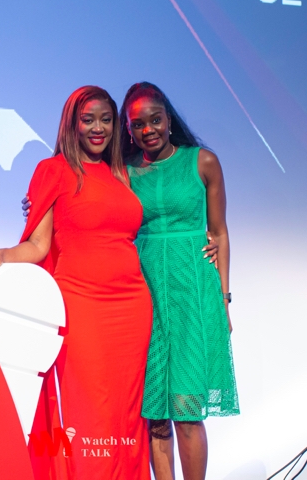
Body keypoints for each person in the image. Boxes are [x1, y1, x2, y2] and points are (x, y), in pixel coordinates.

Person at [0, 86, 153, 480]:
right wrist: (0, 254)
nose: (98, 128)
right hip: (83, 306)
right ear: (72, 124)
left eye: (106, 120)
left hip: (133, 308)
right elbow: (38, 244)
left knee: (129, 415)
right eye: (88, 120)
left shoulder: (123, 173)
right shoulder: (53, 170)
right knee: (93, 418)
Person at [121, 82, 239, 480]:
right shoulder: (124, 172)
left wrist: (224, 299)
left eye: (155, 120)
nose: (148, 130)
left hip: (192, 293)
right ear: (129, 129)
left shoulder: (202, 162)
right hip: (145, 294)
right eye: (138, 124)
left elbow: (219, 233)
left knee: (187, 411)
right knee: (155, 415)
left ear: (169, 119)